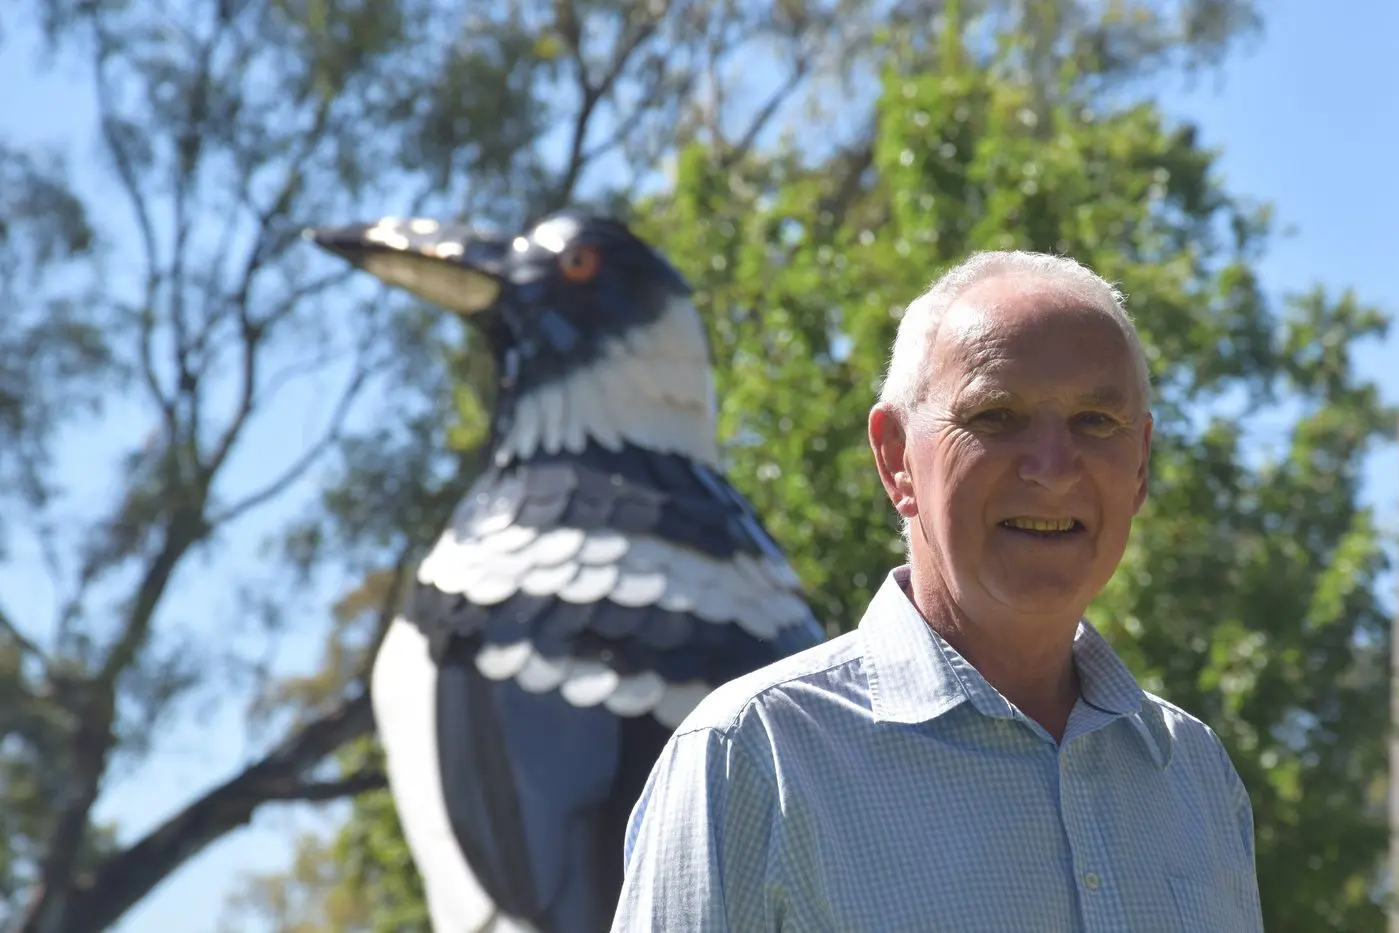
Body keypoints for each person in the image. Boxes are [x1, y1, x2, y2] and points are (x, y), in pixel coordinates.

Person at [608, 250, 1265, 932]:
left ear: (1140, 468)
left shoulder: (1193, 776)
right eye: (995, 416)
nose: (1051, 468)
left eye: (1095, 422)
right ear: (895, 458)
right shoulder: (754, 754)